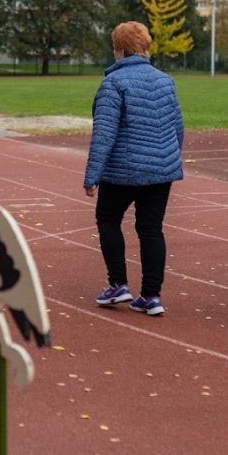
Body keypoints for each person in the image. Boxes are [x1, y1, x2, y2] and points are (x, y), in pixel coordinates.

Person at [83, 22, 184, 316]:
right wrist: (168, 158)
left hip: (123, 170)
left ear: (119, 49)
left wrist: (92, 175)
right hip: (160, 170)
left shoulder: (113, 83)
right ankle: (151, 295)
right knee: (151, 229)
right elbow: (177, 128)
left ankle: (118, 284)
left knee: (108, 218)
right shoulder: (166, 81)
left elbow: (104, 133)